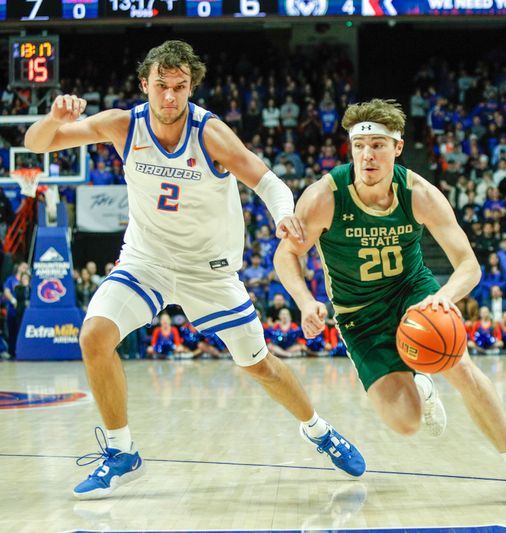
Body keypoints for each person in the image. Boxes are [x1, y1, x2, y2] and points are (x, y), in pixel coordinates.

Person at [24, 40, 364, 500]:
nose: (169, 97)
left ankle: (318, 430)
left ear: (191, 87)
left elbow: (268, 181)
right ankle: (123, 453)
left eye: (179, 87)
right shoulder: (123, 124)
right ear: (144, 84)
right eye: (160, 86)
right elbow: (35, 144)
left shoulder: (210, 134)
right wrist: (53, 121)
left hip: (209, 271)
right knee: (93, 337)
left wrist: (284, 214)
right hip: (147, 260)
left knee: (259, 366)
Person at [273, 99, 506, 507]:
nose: (368, 154)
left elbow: (469, 265)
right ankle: (422, 382)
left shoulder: (419, 193)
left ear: (397, 148)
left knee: (463, 369)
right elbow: (286, 255)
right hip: (357, 314)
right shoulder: (324, 197)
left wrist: (441, 298)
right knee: (406, 423)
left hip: (411, 292)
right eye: (361, 145)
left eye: (379, 145)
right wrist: (304, 299)